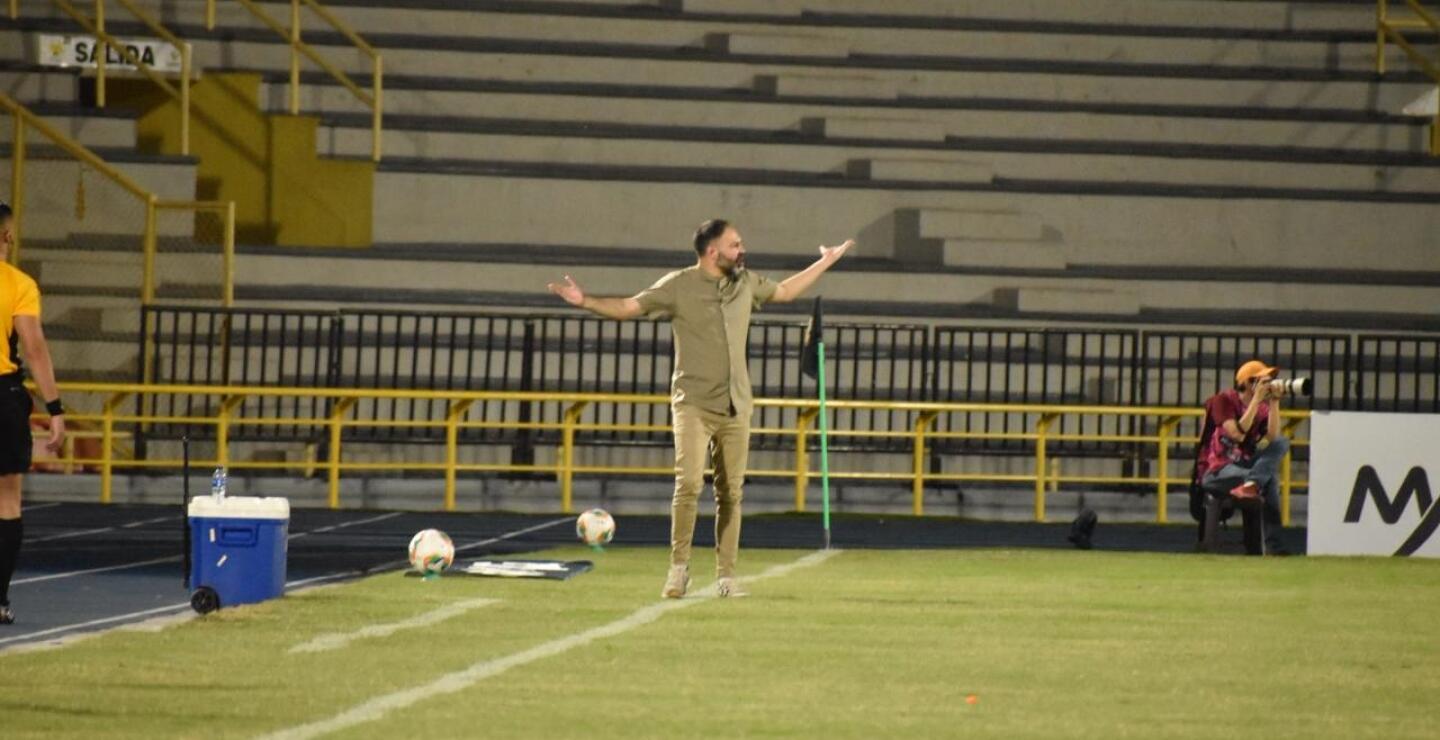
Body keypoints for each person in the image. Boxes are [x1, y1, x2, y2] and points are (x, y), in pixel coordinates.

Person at [548, 219, 851, 598]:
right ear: (713, 252)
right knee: (688, 484)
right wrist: (586, 301)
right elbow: (629, 306)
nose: (742, 250)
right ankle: (679, 570)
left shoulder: (746, 283)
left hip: (736, 404)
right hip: (692, 402)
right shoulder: (678, 285)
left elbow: (787, 291)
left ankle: (727, 576)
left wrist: (826, 261)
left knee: (731, 492)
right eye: (735, 244)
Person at [0, 202, 67, 624]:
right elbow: (34, 346)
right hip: (2, 395)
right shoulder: (18, 284)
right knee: (7, 498)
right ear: (7, 236)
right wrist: (54, 408)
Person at [1197, 359, 1289, 555]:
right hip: (1217, 469)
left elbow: (1273, 437)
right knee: (1270, 480)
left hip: (1243, 465)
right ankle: (1275, 547)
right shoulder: (1223, 401)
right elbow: (1236, 433)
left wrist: (1274, 402)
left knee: (1282, 442)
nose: (1269, 381)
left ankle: (1251, 484)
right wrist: (1256, 401)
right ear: (1248, 383)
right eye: (1263, 379)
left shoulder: (1263, 409)